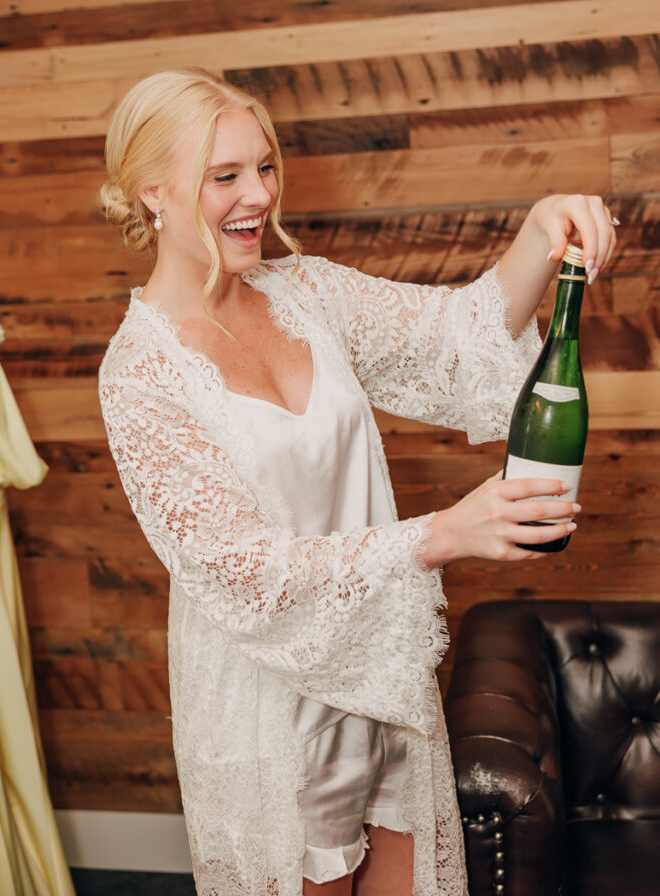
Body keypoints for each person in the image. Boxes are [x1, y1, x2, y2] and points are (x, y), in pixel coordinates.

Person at [97, 67, 617, 896]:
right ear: (152, 194)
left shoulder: (304, 292)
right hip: (271, 715)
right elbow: (245, 570)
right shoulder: (139, 375)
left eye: (263, 167)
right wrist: (441, 534)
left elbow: (456, 338)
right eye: (223, 176)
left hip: (381, 678)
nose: (257, 195)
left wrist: (539, 228)